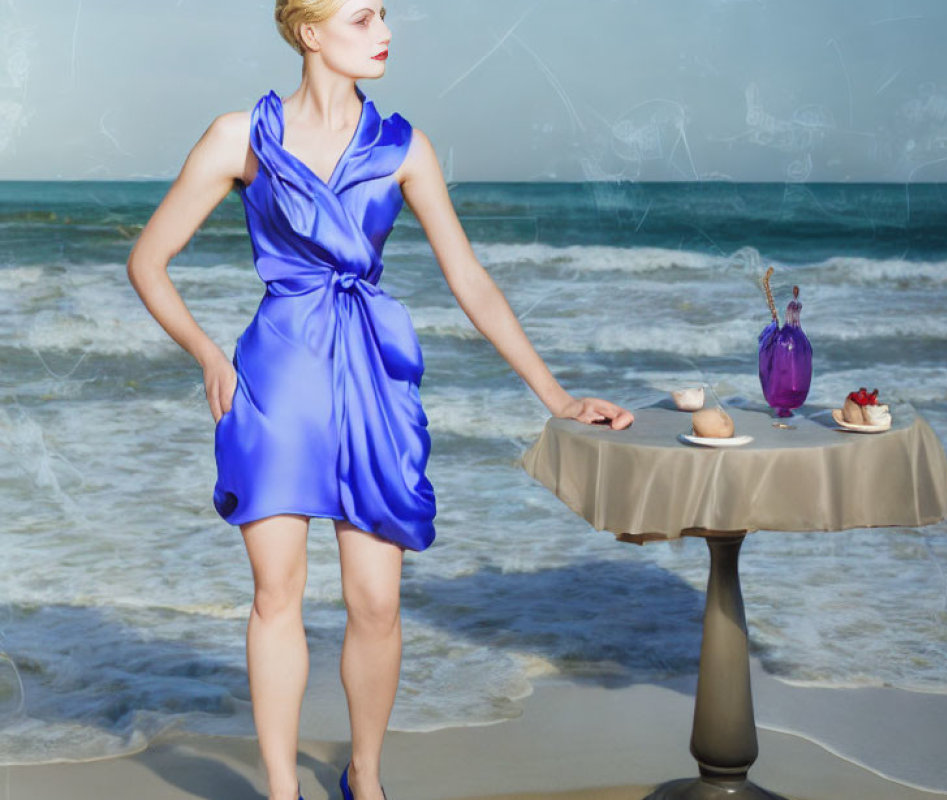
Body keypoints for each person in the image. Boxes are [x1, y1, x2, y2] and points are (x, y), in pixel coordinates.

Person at [126, 1, 634, 799]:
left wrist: (557, 394)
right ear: (309, 31)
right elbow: (149, 261)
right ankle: (283, 790)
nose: (385, 33)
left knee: (375, 602)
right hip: (278, 383)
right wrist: (207, 355)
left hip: (371, 378)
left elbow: (470, 281)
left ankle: (364, 775)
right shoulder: (240, 137)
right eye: (363, 18)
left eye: (384, 16)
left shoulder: (405, 147)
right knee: (275, 598)